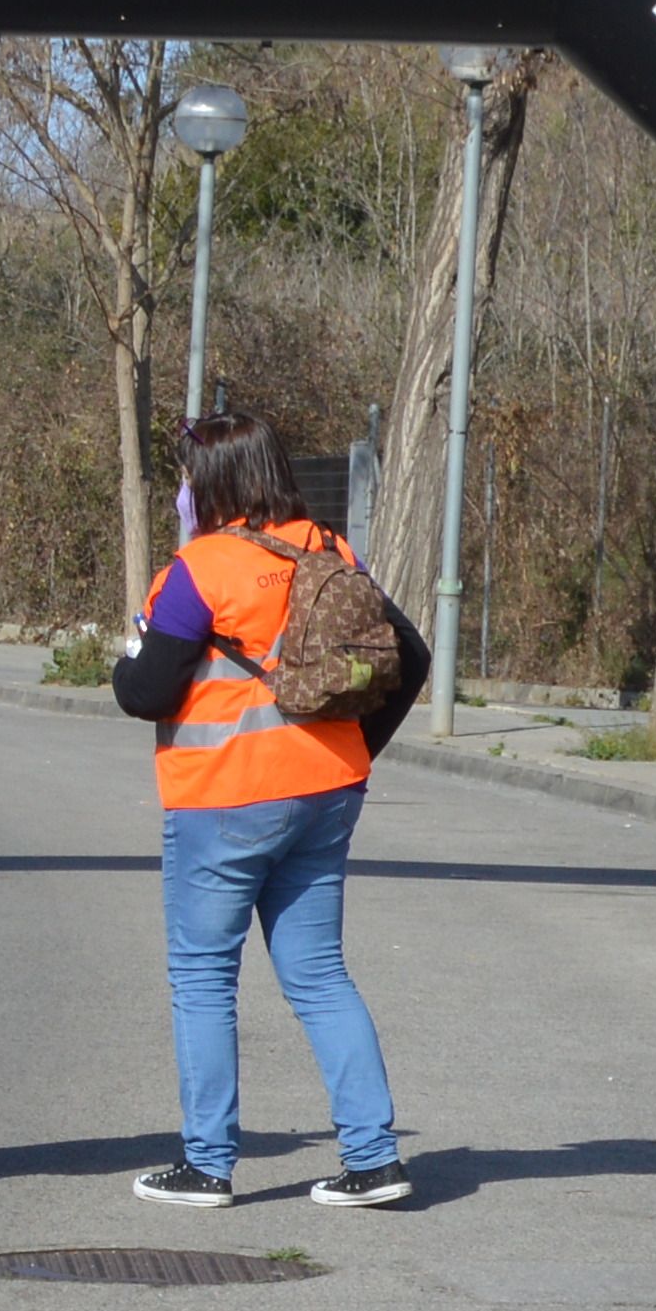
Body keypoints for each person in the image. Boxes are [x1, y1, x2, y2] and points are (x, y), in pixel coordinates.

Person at [111, 407, 410, 1208]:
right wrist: (350, 748)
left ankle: (207, 1165)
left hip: (225, 798)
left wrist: (136, 643)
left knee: (204, 977)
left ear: (208, 482)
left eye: (184, 474)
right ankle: (375, 1158)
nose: (179, 489)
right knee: (318, 974)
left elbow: (142, 693)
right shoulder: (331, 549)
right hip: (328, 789)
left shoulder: (200, 570)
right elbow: (403, 657)